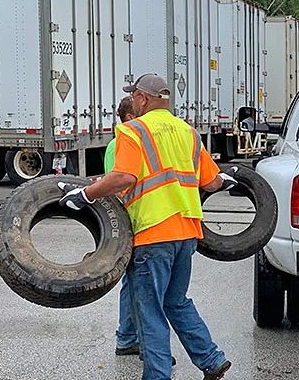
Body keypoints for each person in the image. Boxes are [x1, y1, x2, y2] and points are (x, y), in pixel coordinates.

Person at [58, 73, 234, 380]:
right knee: (175, 301)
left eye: (134, 95)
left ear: (142, 98)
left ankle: (157, 376)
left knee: (149, 310)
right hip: (187, 232)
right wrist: (227, 180)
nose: (134, 101)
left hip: (153, 234)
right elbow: (211, 181)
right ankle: (211, 359)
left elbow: (123, 177)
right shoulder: (188, 132)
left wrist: (84, 195)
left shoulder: (132, 131)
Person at [103, 96, 143, 359]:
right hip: (133, 223)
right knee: (138, 283)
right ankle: (134, 339)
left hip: (139, 221)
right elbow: (116, 184)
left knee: (133, 282)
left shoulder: (131, 141)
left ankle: (128, 337)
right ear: (129, 118)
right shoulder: (120, 143)